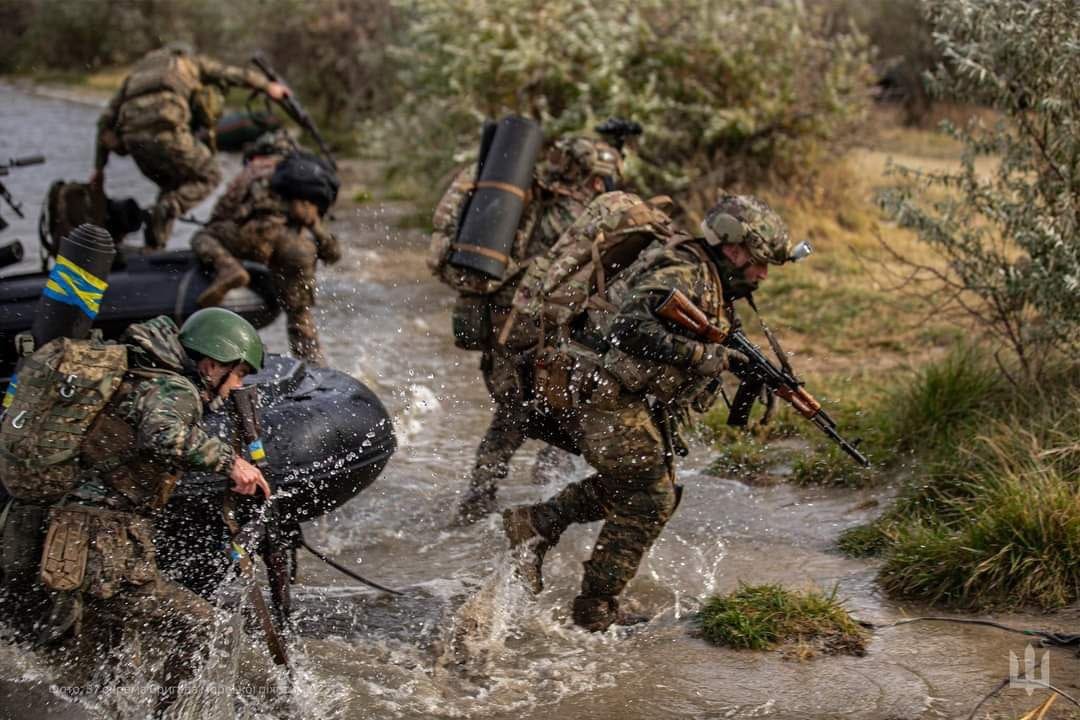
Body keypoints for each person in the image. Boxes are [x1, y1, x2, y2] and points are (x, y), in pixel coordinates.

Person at [501, 193, 795, 631]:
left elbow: (708, 333)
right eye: (758, 260)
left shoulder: (711, 277)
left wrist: (756, 371)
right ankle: (593, 611)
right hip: (601, 392)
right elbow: (630, 330)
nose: (763, 273)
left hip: (621, 392)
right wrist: (706, 357)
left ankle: (538, 522)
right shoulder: (684, 271)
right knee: (651, 496)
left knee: (649, 489)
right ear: (733, 248)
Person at [1, 308, 270, 714]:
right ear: (212, 365)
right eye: (238, 375)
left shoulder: (135, 374)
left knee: (101, 668)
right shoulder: (174, 390)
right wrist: (231, 462)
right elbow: (163, 433)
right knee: (203, 627)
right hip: (101, 547)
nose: (237, 388)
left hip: (66, 537)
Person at [431, 136, 626, 523]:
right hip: (538, 333)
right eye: (599, 180)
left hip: (501, 332)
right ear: (589, 178)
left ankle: (479, 500)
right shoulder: (572, 215)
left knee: (512, 415)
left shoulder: (523, 203)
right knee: (562, 409)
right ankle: (552, 498)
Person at [91, 44, 291, 249]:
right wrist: (267, 86)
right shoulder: (188, 62)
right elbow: (232, 74)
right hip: (168, 134)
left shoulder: (135, 75)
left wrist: (99, 169)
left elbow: (105, 121)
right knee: (210, 174)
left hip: (135, 143)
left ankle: (154, 245)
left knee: (172, 184)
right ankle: (168, 210)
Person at [191, 132, 341, 365]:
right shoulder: (306, 181)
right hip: (298, 246)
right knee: (300, 318)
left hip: (256, 237)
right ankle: (316, 371)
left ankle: (229, 269)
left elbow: (221, 213)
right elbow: (330, 250)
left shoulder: (253, 170)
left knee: (204, 236)